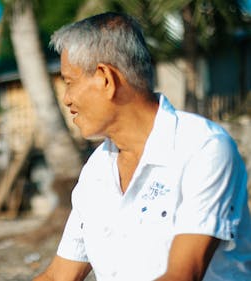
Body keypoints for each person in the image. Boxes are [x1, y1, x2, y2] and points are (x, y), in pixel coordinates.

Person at [34, 12, 251, 281]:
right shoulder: (97, 171)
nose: (66, 99)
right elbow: (58, 276)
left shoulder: (203, 149)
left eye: (69, 82)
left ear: (105, 78)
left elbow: (182, 275)